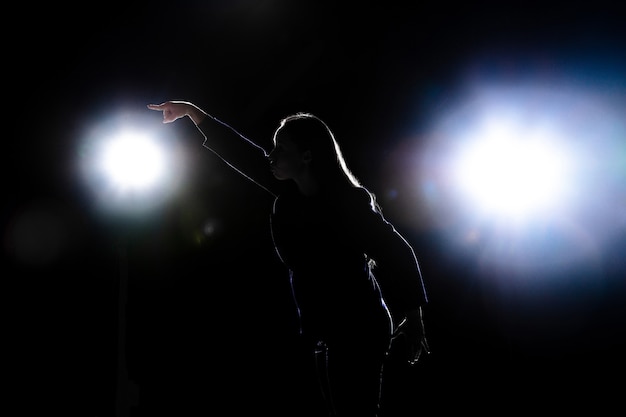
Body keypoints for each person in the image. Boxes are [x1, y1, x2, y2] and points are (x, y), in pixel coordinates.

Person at [147, 101, 429, 416]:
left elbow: (396, 250)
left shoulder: (348, 204)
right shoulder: (290, 196)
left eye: (281, 148)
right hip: (324, 326)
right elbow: (241, 152)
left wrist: (414, 317)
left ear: (307, 156)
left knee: (354, 416)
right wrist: (191, 111)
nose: (272, 155)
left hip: (359, 326)